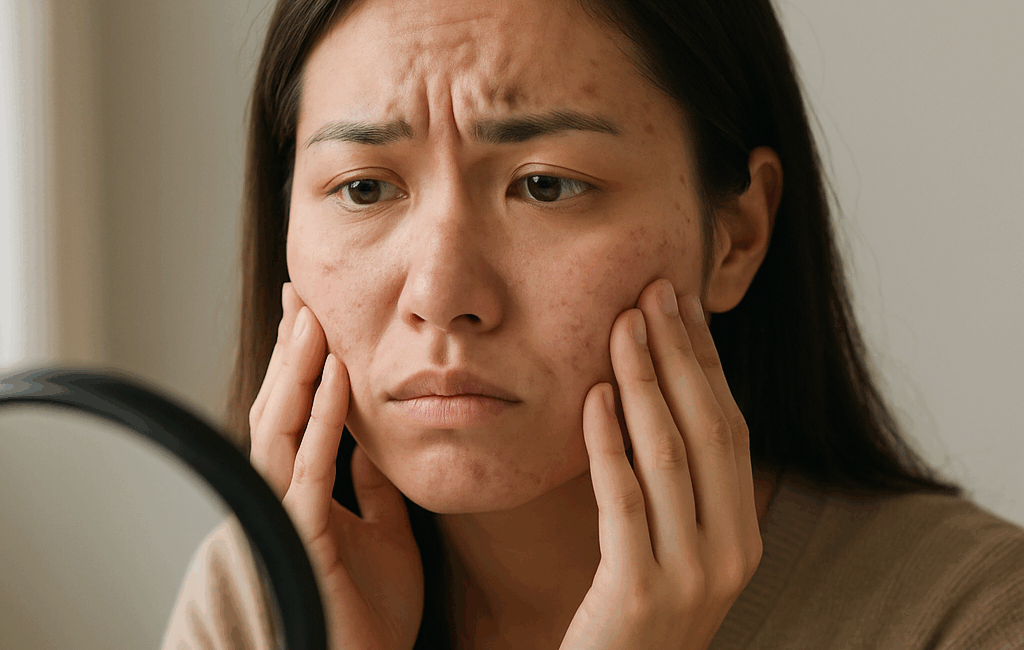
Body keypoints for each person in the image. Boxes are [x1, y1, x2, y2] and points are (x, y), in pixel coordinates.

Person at [161, 0, 1024, 648]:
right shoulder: (259, 602)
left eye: (546, 185)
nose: (441, 291)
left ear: (737, 237)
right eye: (365, 188)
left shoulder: (966, 617)